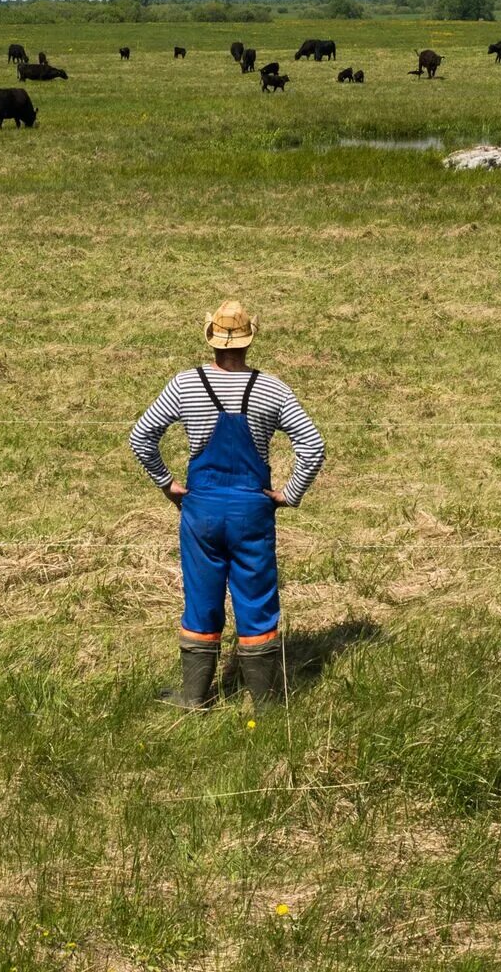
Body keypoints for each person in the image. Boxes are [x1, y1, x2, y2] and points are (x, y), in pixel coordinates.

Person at [129, 300, 326, 710]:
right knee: (256, 599)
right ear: (250, 340)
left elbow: (141, 437)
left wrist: (167, 484)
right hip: (252, 512)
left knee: (201, 598)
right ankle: (267, 703)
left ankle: (194, 696)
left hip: (200, 510)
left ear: (211, 339)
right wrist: (291, 493)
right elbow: (313, 444)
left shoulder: (184, 384)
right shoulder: (272, 388)